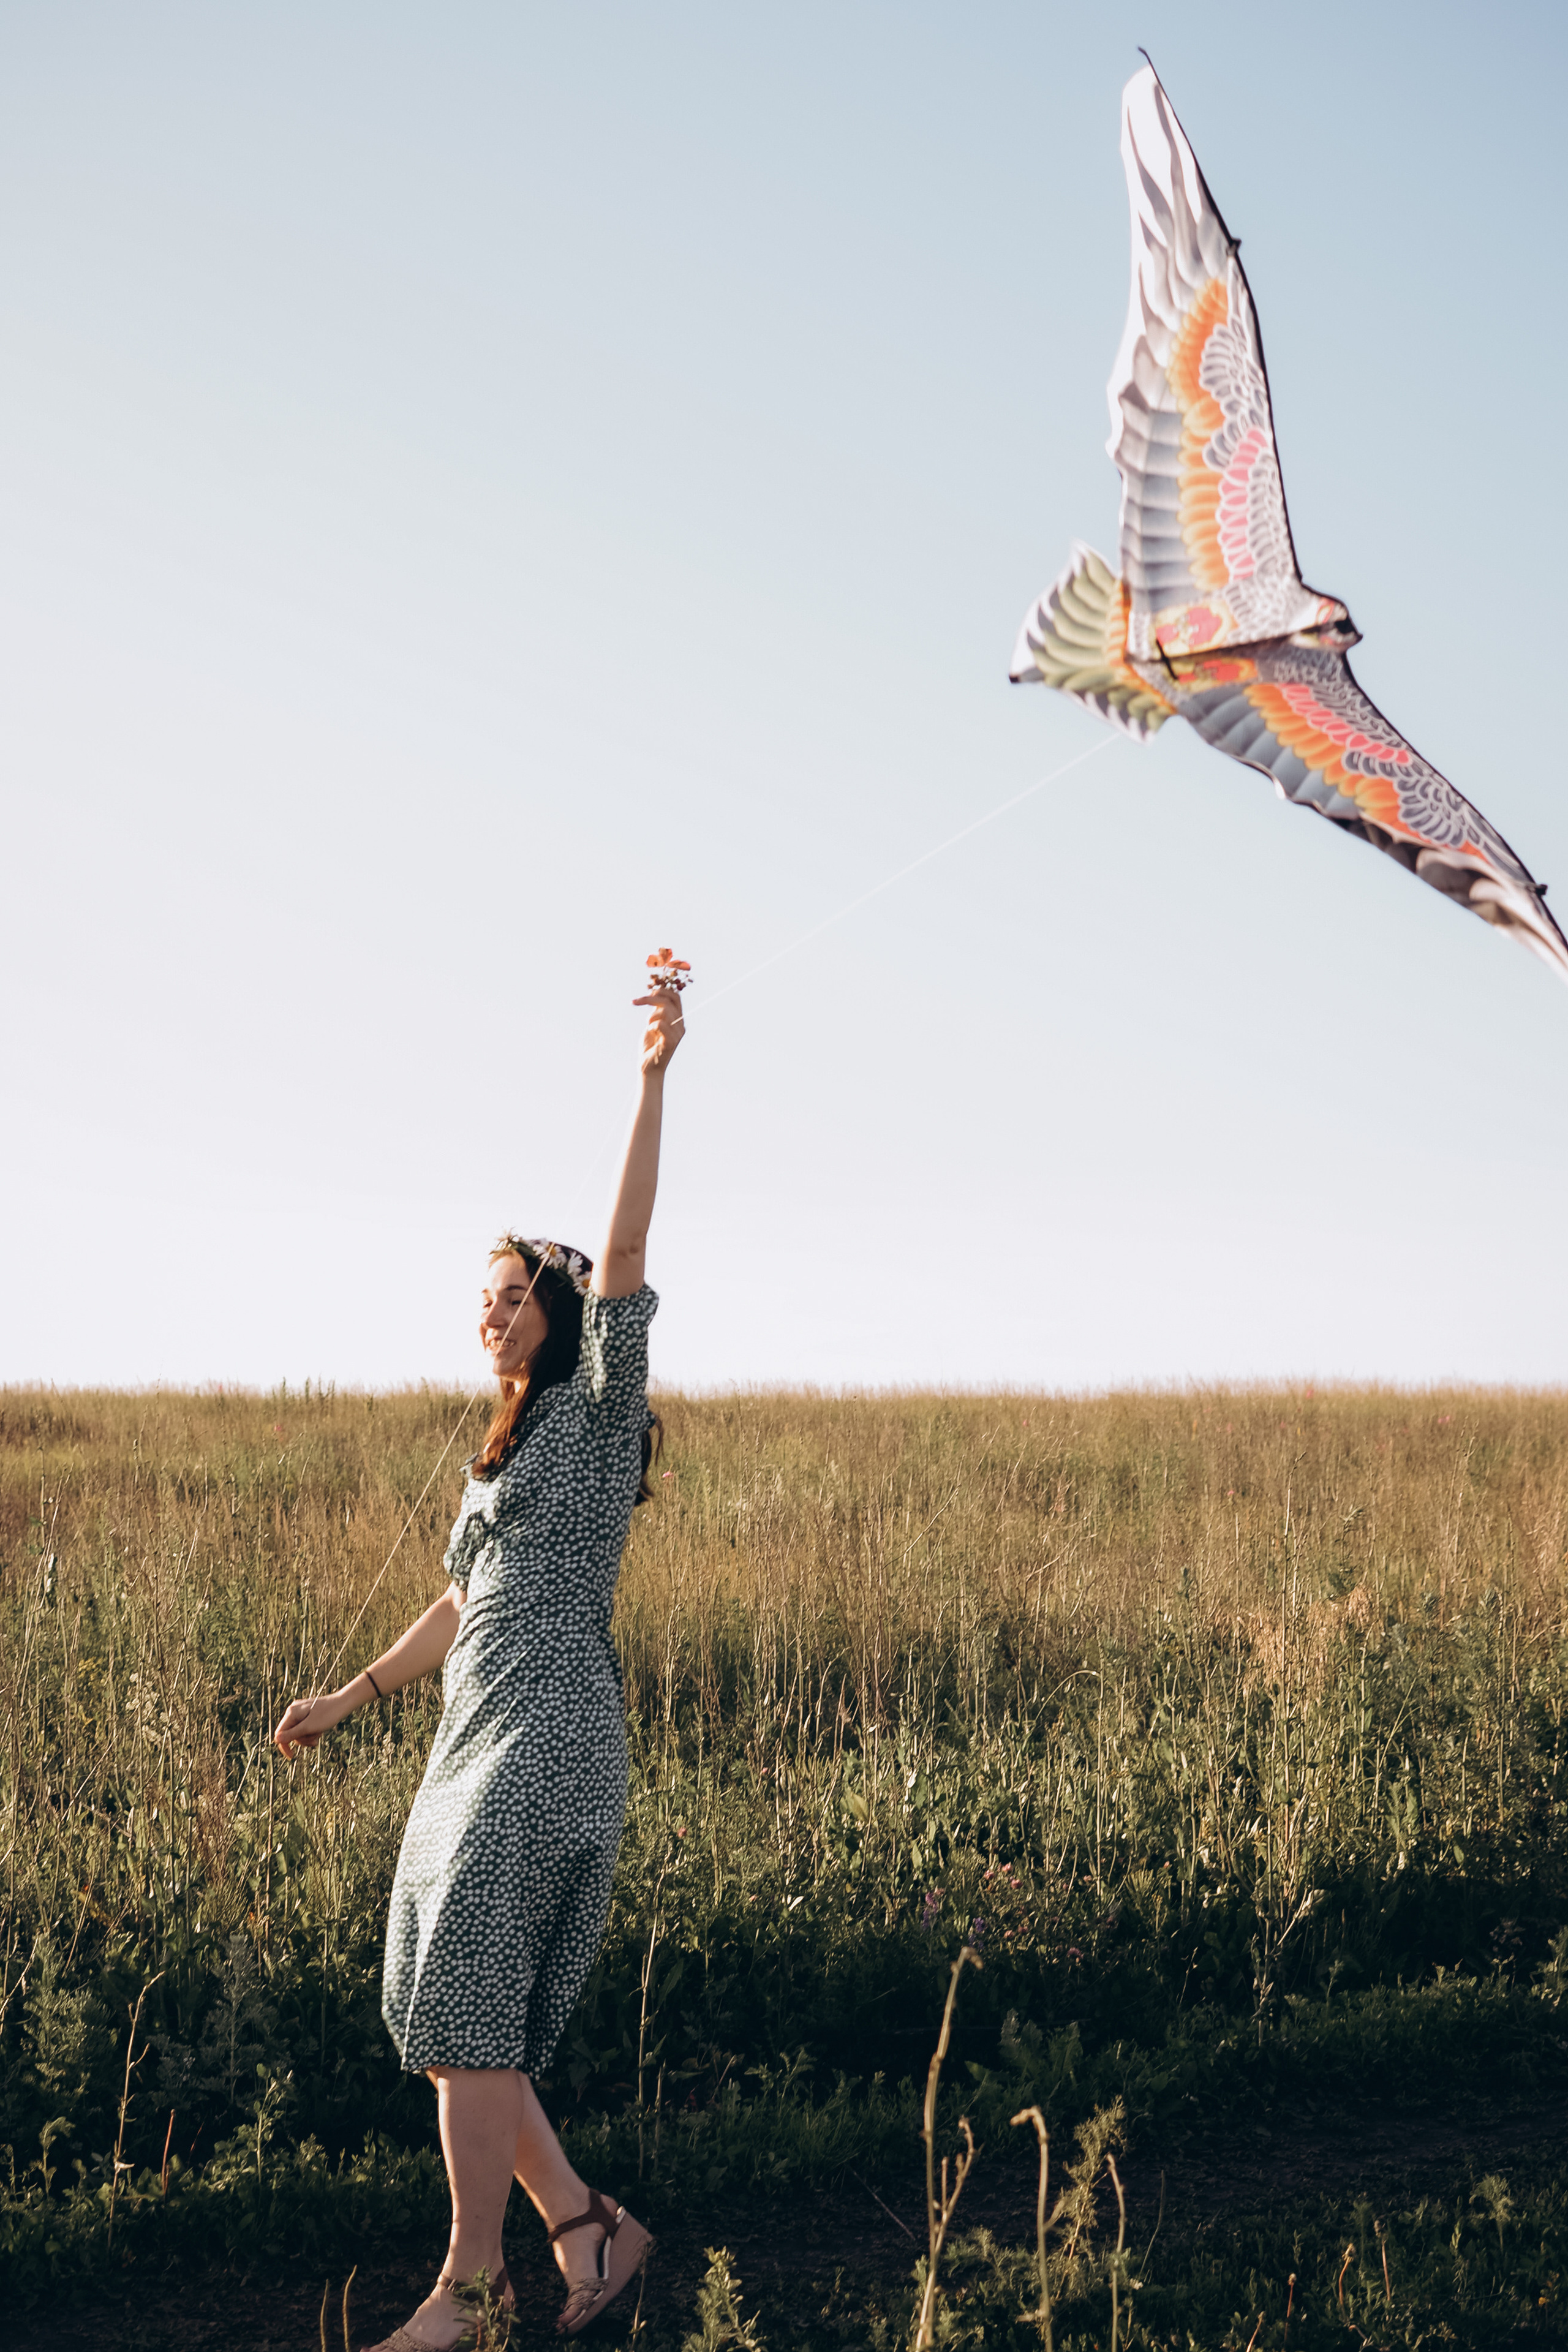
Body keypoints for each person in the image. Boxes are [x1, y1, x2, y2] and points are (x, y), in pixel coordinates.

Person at [273, 973, 686, 2346]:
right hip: (470, 1739)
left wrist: (650, 1077)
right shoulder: (497, 1457)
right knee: (444, 1997)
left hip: (550, 1729)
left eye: (508, 1294)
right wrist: (348, 1698)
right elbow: (457, 1608)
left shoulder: (594, 1410)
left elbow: (621, 1250)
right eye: (482, 1298)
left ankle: (468, 2283)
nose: (487, 1314)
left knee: (462, 1985)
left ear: (556, 1310)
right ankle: (587, 2229)